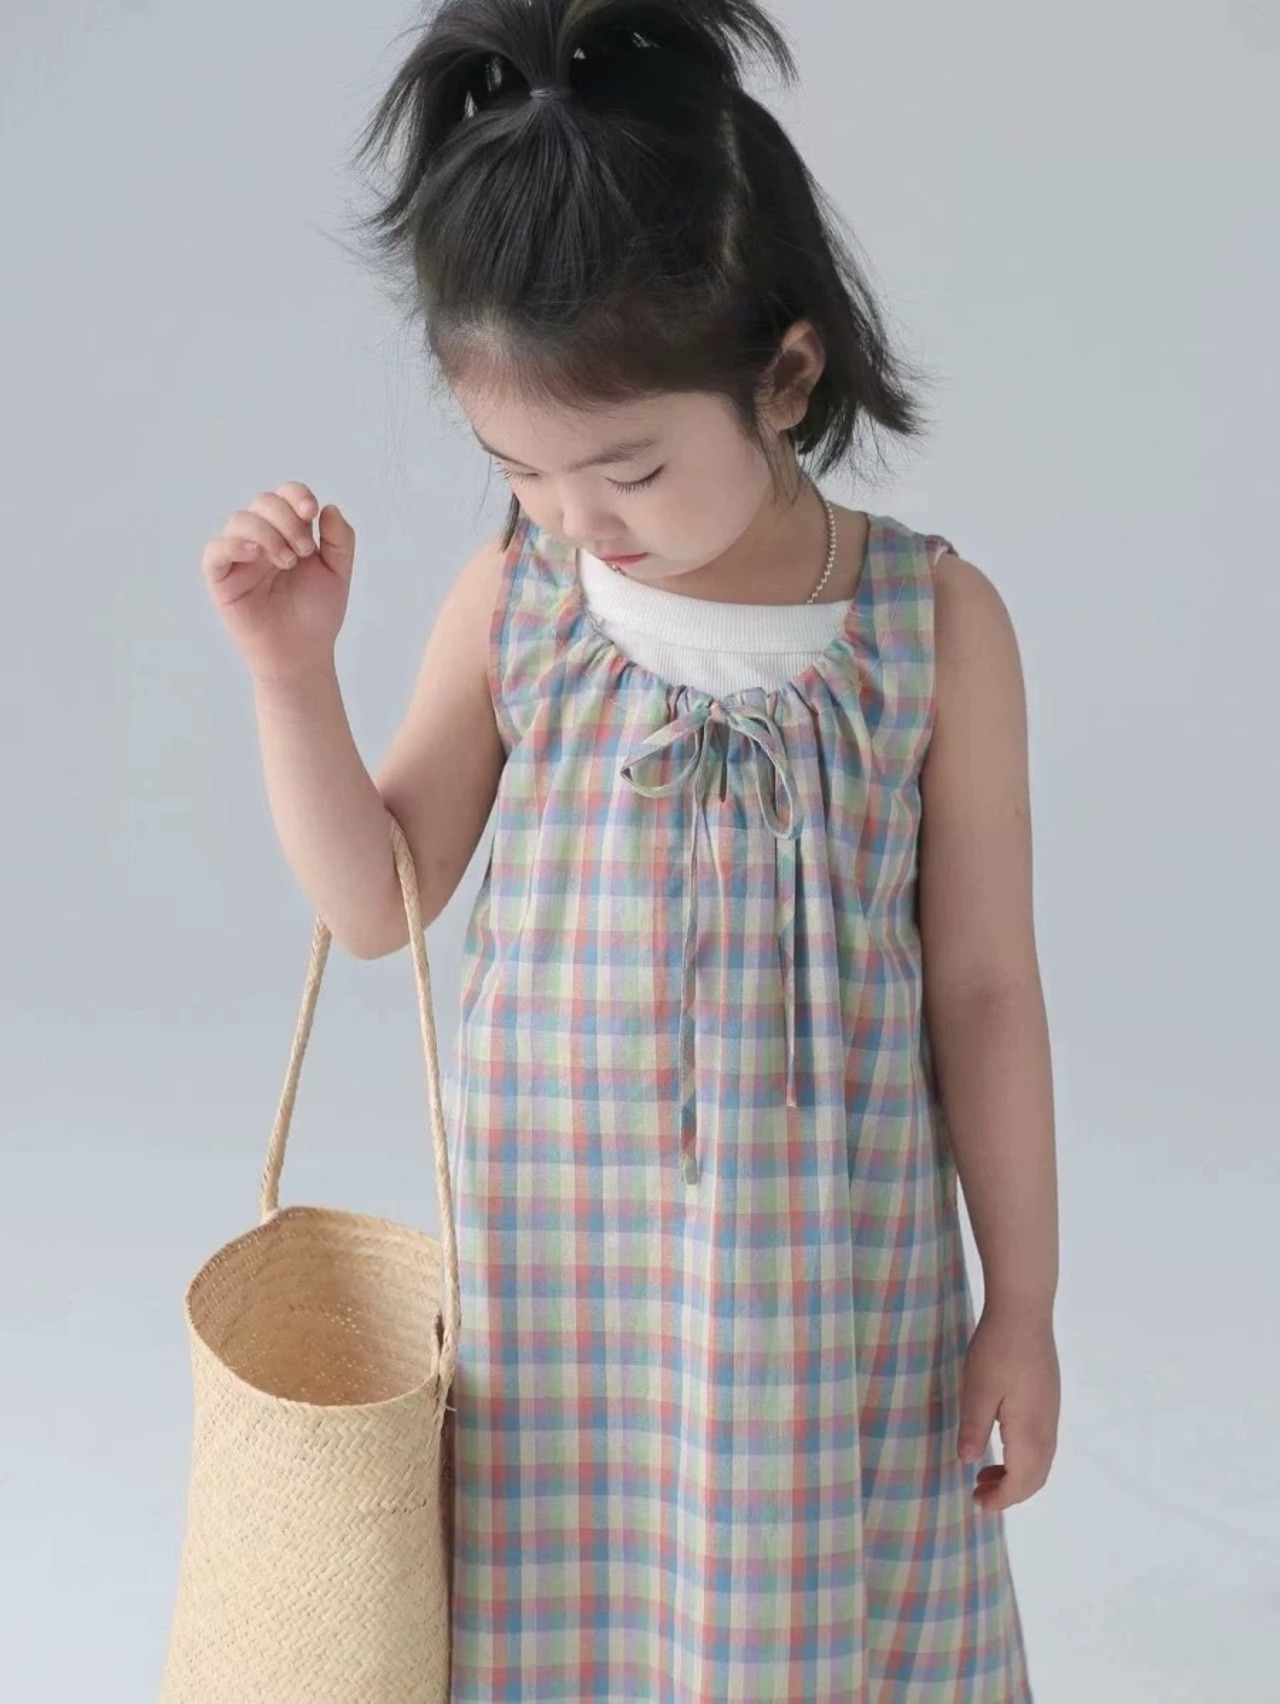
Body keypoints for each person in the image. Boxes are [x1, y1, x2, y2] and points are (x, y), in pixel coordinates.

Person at [200, 0, 1061, 1695]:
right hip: (559, 1308)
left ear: (786, 375)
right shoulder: (519, 602)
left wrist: (1019, 1305)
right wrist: (291, 675)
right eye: (520, 472)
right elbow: (377, 904)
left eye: (629, 470)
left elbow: (984, 989)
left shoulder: (930, 626)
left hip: (833, 1301)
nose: (578, 521)